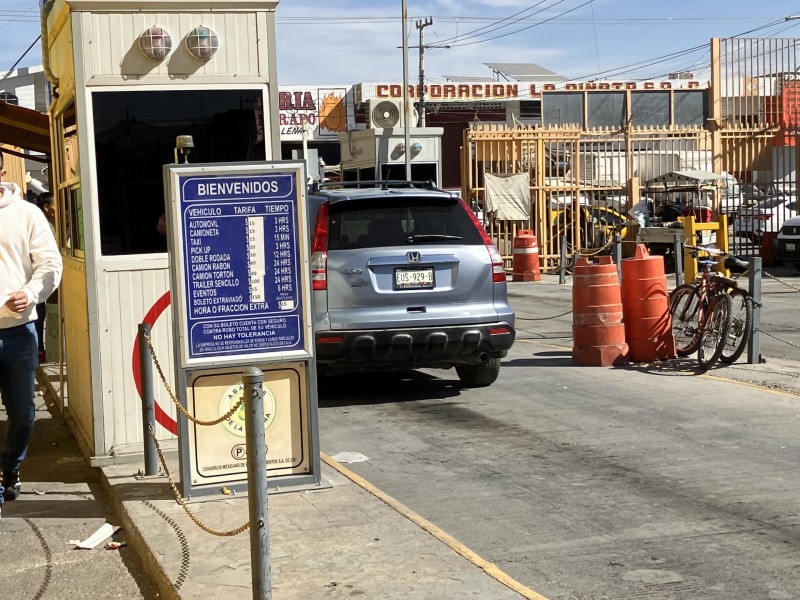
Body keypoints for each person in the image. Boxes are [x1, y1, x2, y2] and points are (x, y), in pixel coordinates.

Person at [0, 151, 63, 516]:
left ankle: (10, 465)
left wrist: (33, 292)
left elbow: (51, 264)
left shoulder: (27, 213)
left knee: (23, 412)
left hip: (19, 331)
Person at [34, 192, 57, 362]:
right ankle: (39, 351)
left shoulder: (50, 222)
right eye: (55, 204)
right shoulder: (43, 224)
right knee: (39, 314)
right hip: (39, 277)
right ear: (46, 207)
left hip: (42, 276)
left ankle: (40, 350)